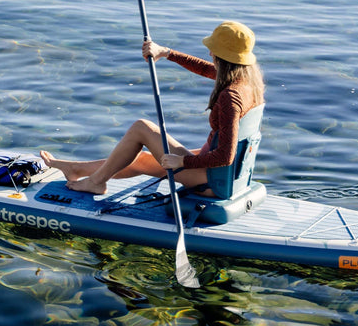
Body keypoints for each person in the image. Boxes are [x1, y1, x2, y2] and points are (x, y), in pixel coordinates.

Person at [40, 20, 265, 197]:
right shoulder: (248, 82)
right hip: (223, 173)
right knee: (141, 160)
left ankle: (96, 182)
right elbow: (207, 69)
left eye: (213, 50)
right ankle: (77, 170)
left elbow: (226, 156)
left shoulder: (230, 97)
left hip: (212, 179)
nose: (210, 54)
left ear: (224, 57)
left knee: (141, 128)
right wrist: (166, 52)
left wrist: (183, 162)